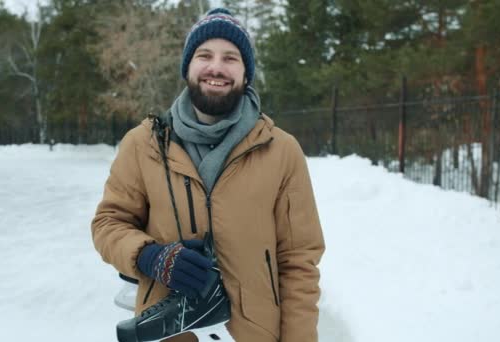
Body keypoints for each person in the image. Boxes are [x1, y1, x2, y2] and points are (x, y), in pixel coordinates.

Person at [91, 8, 325, 342]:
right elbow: (108, 224)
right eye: (204, 55)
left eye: (231, 58)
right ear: (188, 66)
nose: (216, 67)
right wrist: (149, 255)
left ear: (246, 73)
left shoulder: (281, 150)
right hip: (168, 334)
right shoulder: (142, 144)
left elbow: (299, 262)